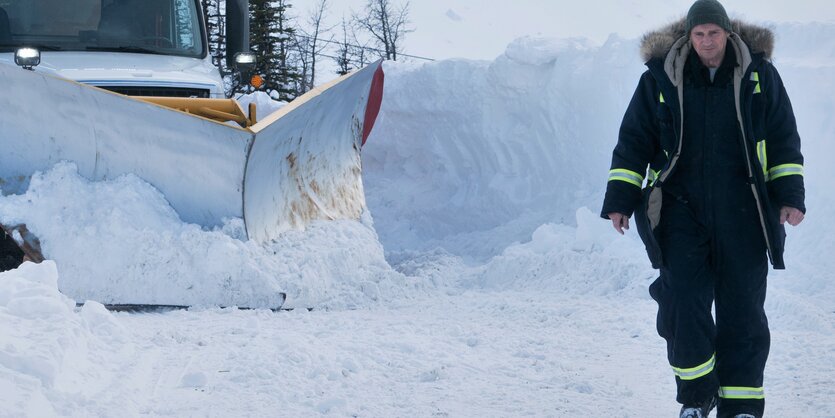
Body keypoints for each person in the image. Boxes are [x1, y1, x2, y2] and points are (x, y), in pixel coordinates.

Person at [600, 1, 805, 417]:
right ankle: (696, 396)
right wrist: (620, 200)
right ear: (688, 37)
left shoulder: (759, 76)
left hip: (743, 209)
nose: (706, 41)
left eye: (714, 33)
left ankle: (742, 405)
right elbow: (633, 141)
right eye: (699, 34)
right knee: (682, 299)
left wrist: (790, 195)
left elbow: (783, 136)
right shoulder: (660, 78)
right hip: (679, 208)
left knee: (743, 307)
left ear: (728, 34)